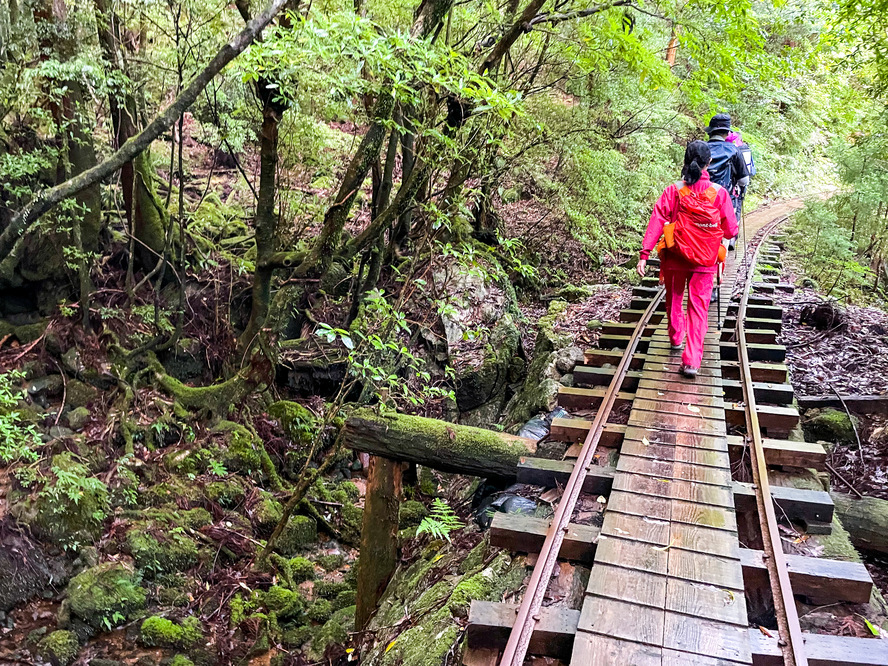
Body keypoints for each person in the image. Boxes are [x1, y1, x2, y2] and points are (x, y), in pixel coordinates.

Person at [636, 141, 738, 378]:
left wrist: (644, 254)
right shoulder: (719, 193)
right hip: (705, 260)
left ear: (685, 161)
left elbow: (657, 220)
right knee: (699, 309)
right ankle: (692, 361)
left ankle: (675, 338)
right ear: (709, 163)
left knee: (674, 298)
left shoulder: (673, 190)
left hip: (675, 257)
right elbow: (731, 231)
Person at [705, 113, 749, 250]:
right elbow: (744, 180)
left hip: (696, 197)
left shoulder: (700, 148)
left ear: (710, 132)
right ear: (726, 133)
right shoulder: (734, 150)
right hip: (722, 199)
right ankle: (721, 257)